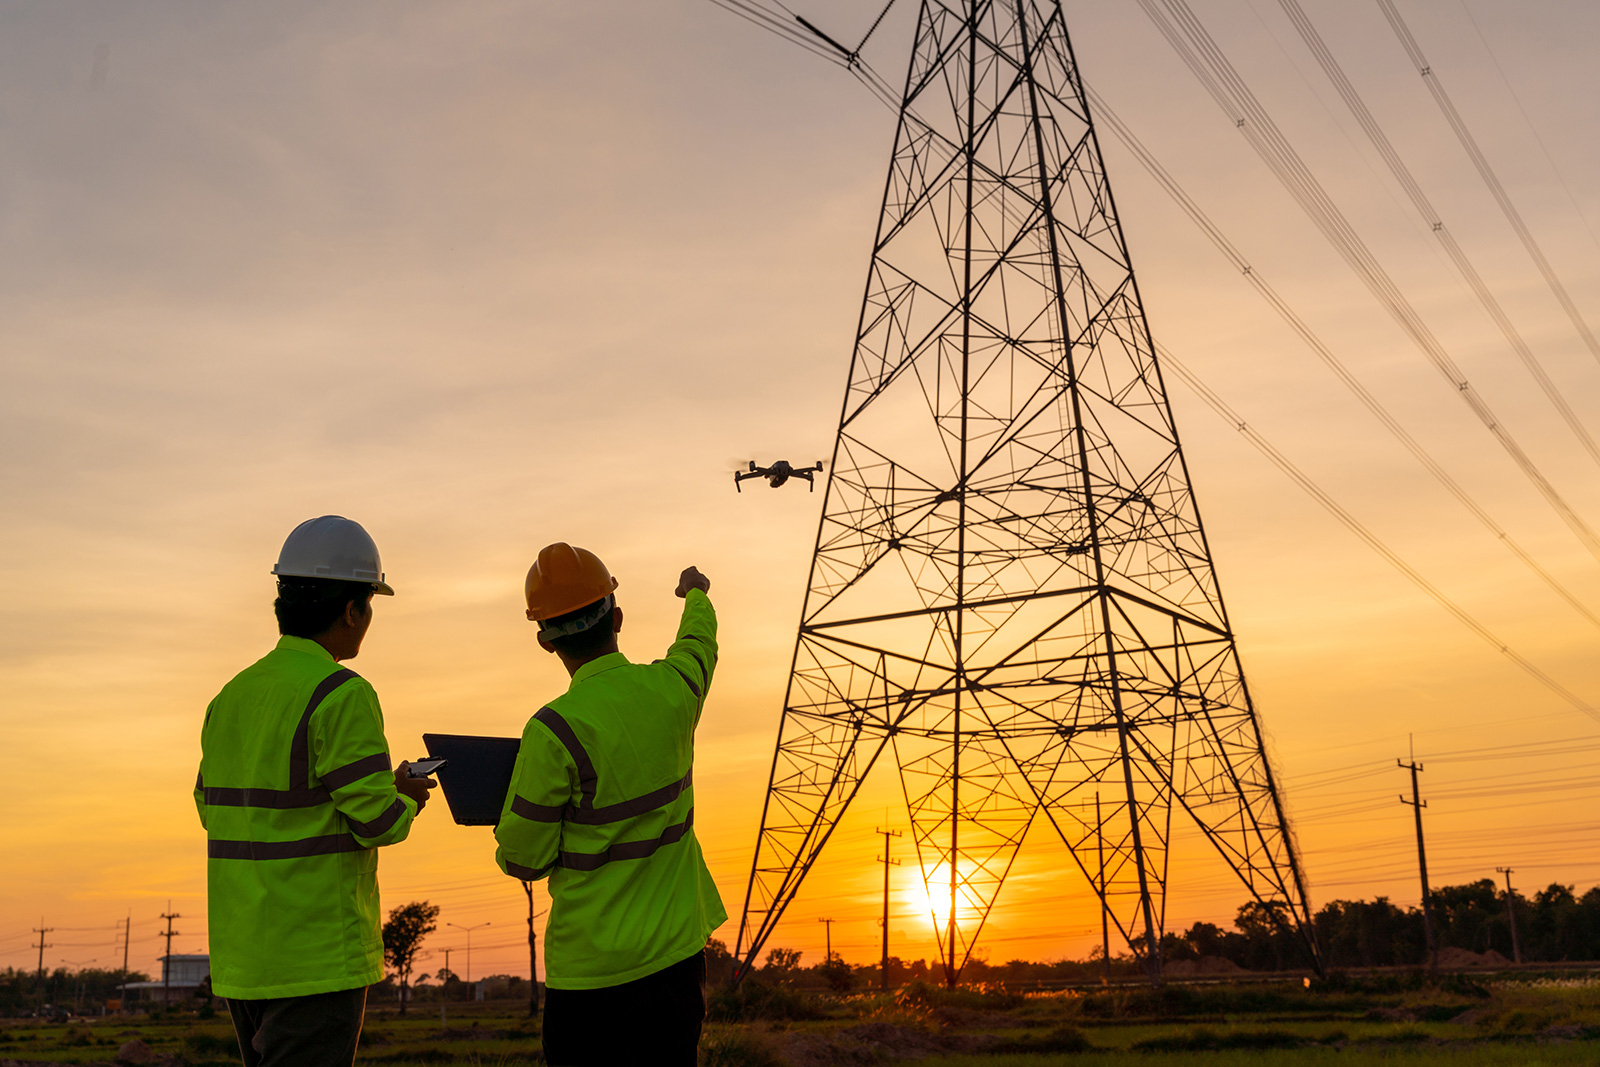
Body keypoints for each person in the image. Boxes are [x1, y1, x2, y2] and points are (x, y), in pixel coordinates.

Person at [194, 515, 437, 1067]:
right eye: (370, 606)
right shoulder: (341, 694)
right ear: (352, 610)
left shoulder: (230, 696)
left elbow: (212, 810)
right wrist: (404, 794)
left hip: (244, 959)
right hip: (316, 959)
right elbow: (378, 822)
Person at [495, 543, 725, 1066]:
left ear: (545, 641)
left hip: (589, 977)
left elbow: (524, 860)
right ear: (616, 616)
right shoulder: (674, 690)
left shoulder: (551, 731)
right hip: (675, 965)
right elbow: (698, 643)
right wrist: (696, 593)